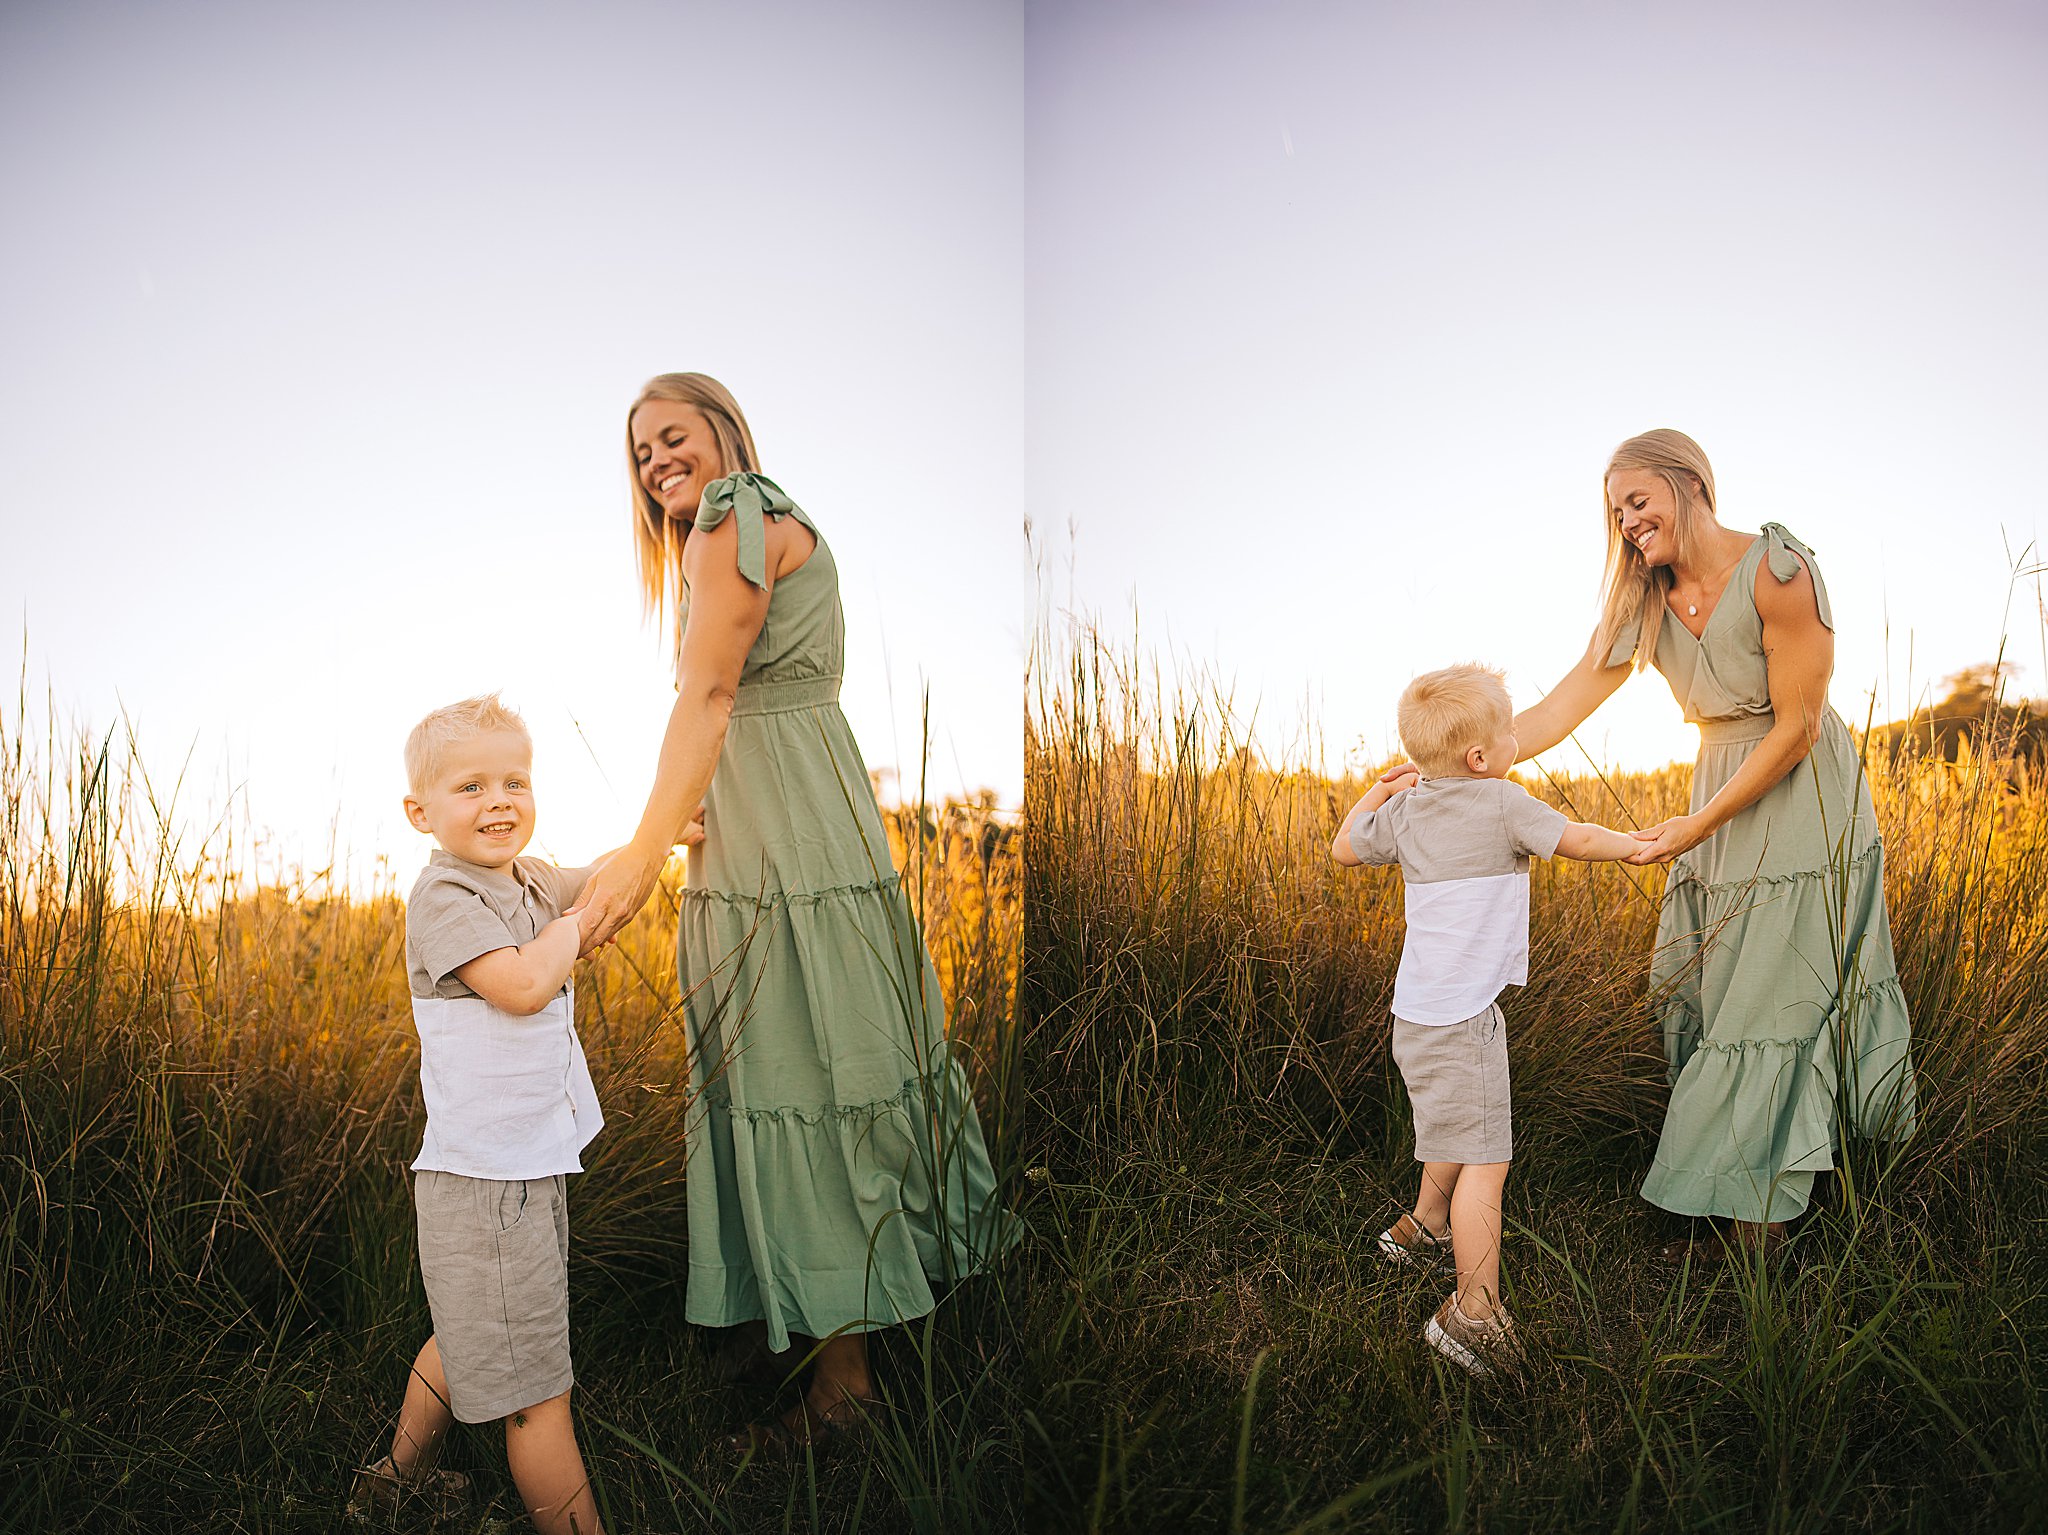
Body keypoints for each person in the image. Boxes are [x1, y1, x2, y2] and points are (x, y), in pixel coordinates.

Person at [569, 373, 1016, 1454]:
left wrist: (636, 852)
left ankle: (844, 1388)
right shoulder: (768, 519)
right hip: (807, 812)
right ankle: (877, 1321)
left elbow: (711, 697)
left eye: (671, 436)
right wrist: (687, 815)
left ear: (721, 430)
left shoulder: (730, 519)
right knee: (849, 1062)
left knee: (800, 1072)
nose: (655, 462)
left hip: (779, 843)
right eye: (638, 453)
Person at [1508, 429, 1916, 1254]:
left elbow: (1798, 727)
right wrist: (1451, 761)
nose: (1626, 521)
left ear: (1690, 484)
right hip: (1715, 799)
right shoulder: (1644, 599)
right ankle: (1755, 1187)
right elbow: (1554, 712)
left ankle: (1757, 1232)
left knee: (1774, 995)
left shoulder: (1777, 570)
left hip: (1799, 794)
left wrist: (1698, 824)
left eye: (1638, 500)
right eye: (1615, 510)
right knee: (1702, 988)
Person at [350, 694, 624, 1534]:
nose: (499, 800)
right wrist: (579, 928)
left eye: (515, 779)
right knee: (539, 1395)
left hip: (522, 1167)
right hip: (486, 1179)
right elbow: (522, 983)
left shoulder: (533, 879)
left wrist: (666, 830)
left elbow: (611, 884)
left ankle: (390, 1478)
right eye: (470, 786)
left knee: (470, 1328)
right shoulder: (443, 898)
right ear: (419, 811)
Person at [1334, 664, 1641, 1374]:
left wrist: (1377, 791)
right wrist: (1638, 844)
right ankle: (1473, 1312)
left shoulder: (1406, 811)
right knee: (1486, 1159)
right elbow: (1578, 839)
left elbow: (1343, 847)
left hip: (1414, 1015)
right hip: (1465, 1017)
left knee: (1451, 1123)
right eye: (1509, 729)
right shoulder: (1503, 802)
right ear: (1481, 757)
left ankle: (1422, 1229)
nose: (1515, 736)